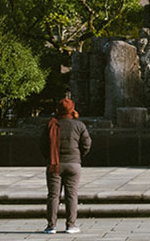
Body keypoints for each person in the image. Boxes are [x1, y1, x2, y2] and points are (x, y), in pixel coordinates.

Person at [39, 98, 91, 234]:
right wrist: (78, 156)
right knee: (72, 195)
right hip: (73, 164)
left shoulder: (51, 124)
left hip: (54, 164)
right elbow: (87, 144)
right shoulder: (79, 125)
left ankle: (51, 226)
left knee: (53, 195)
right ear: (72, 109)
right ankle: (71, 225)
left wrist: (49, 158)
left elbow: (43, 145)